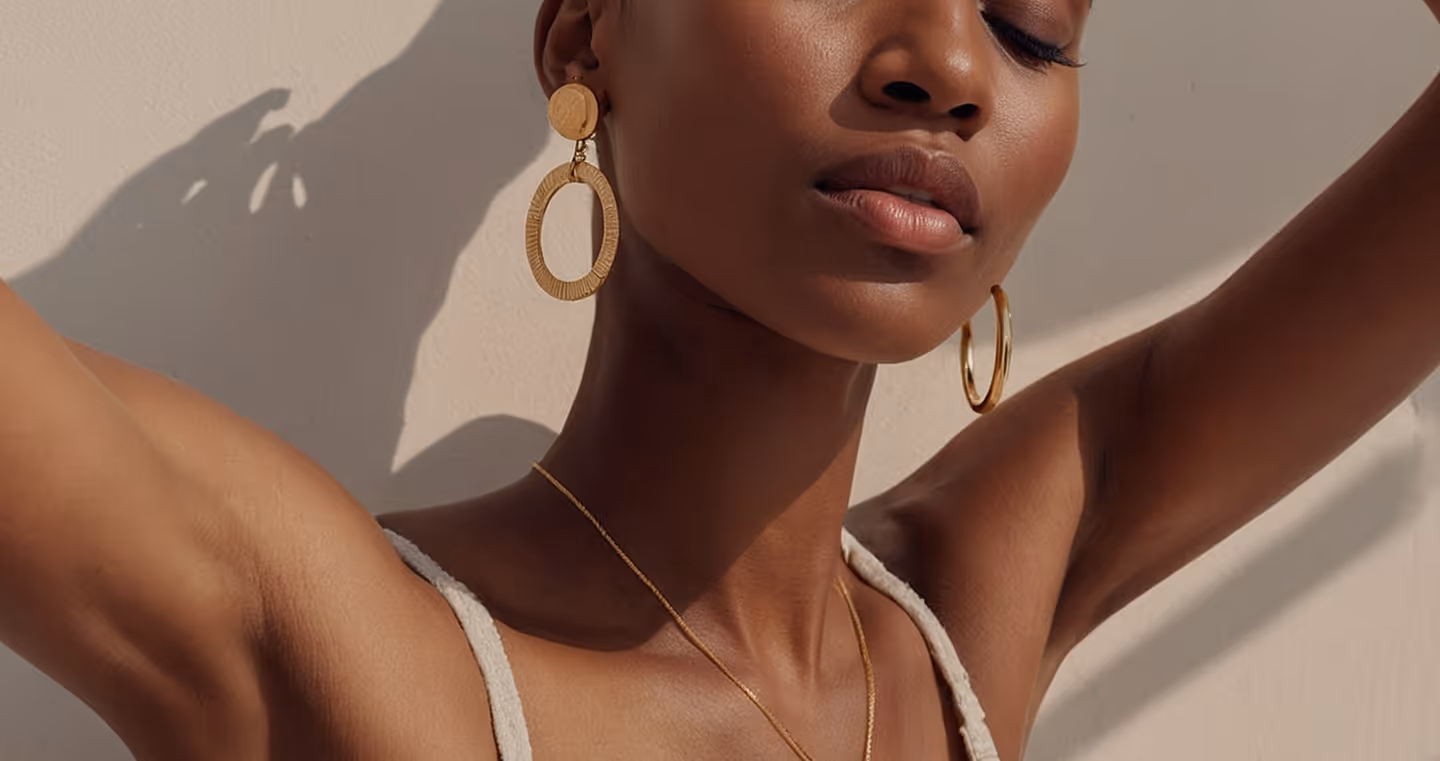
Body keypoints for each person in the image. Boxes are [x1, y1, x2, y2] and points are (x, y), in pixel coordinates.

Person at [2, 0, 1438, 758]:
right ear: (586, 32)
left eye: (1030, 26)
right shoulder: (351, 659)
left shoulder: (965, 626)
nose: (948, 64)